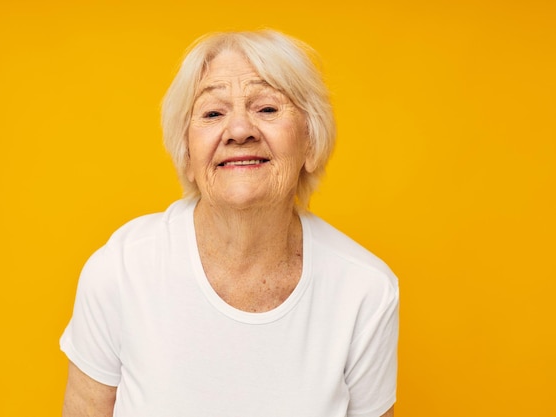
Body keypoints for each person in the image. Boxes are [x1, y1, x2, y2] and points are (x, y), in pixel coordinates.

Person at [60, 29, 399, 417]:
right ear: (187, 153)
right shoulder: (120, 270)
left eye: (268, 109)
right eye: (213, 113)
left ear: (310, 140)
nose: (239, 131)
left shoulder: (366, 291)